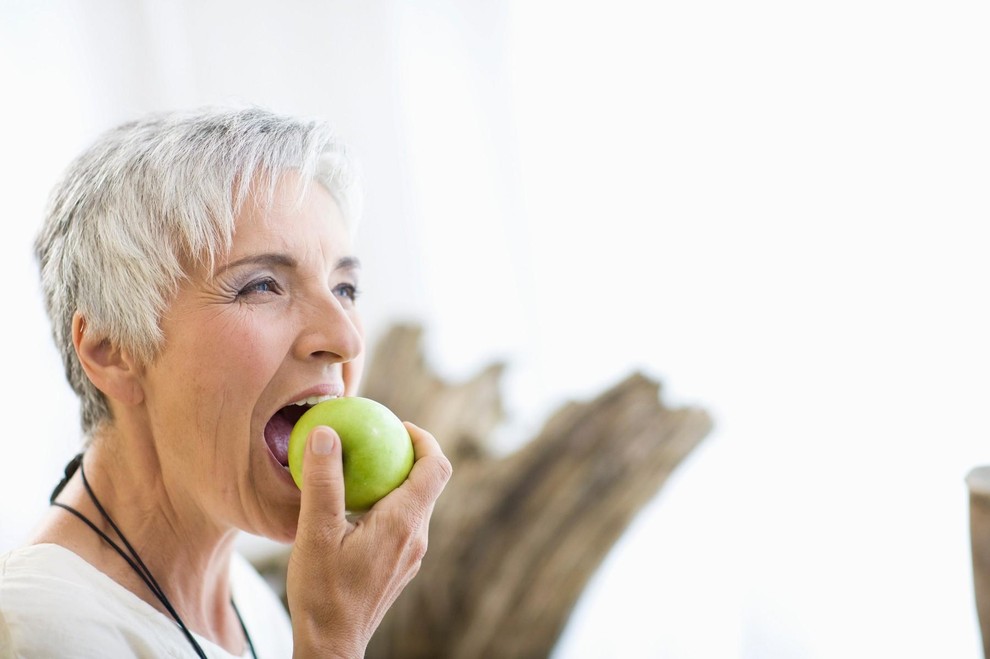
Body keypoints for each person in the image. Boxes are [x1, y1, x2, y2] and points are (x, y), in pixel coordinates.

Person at [0, 106, 452, 657]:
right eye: (262, 286)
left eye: (344, 288)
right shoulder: (36, 632)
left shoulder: (249, 603)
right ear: (112, 350)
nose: (346, 339)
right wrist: (332, 642)